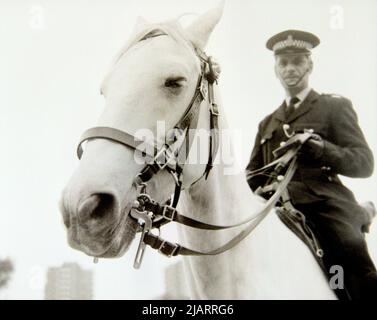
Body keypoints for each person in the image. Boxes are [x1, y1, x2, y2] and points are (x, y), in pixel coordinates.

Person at [246, 29, 377, 299]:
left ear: (310, 65)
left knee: (350, 248)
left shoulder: (333, 107)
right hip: (273, 204)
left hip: (323, 202)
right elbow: (253, 174)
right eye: (283, 62)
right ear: (275, 69)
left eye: (297, 61)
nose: (290, 68)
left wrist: (322, 149)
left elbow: (364, 163)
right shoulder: (267, 123)